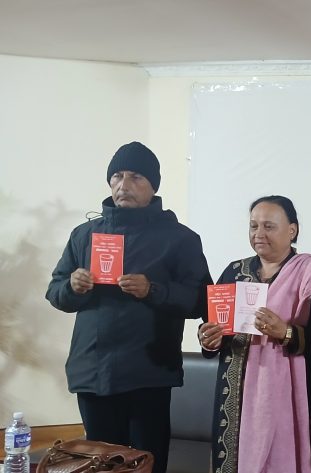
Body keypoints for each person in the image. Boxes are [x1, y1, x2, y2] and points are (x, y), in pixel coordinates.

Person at [45, 141, 211, 473]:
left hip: (148, 374)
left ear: (153, 186)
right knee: (99, 465)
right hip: (93, 372)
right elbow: (55, 291)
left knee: (146, 463)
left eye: (136, 177)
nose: (124, 185)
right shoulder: (84, 235)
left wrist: (153, 289)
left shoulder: (180, 238)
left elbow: (201, 300)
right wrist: (72, 287)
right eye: (117, 176)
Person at [197, 195, 311, 473]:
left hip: (292, 397)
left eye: (269, 226)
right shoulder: (234, 273)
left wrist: (286, 332)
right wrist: (209, 339)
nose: (259, 234)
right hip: (236, 397)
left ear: (292, 230)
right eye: (253, 226)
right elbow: (214, 325)